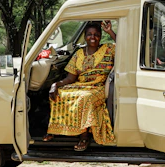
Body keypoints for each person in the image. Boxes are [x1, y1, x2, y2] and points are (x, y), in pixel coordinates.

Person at [44, 21, 116, 152]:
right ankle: (57, 129)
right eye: (89, 34)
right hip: (80, 85)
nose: (92, 37)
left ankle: (84, 136)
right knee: (59, 93)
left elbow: (126, 47)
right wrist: (55, 84)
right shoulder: (78, 54)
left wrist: (110, 31)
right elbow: (70, 78)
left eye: (96, 34)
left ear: (100, 36)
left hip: (98, 87)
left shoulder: (108, 49)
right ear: (85, 36)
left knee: (85, 97)